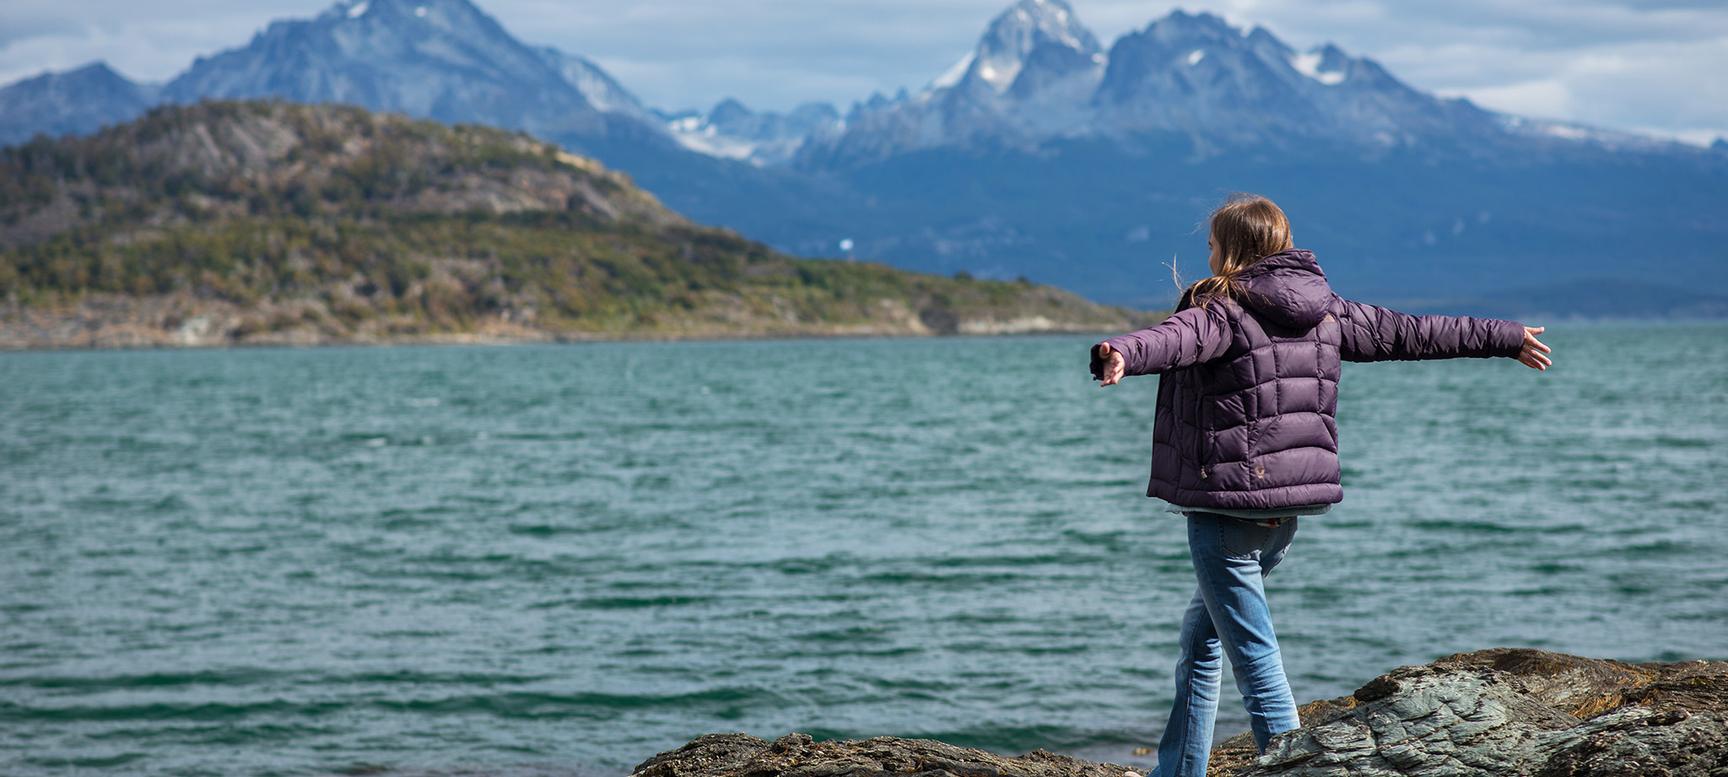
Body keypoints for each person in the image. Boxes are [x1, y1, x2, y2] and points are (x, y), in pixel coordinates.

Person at [1090, 193, 1551, 777]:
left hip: (1229, 508)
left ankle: (1295, 767)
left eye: (1210, 245)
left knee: (1253, 654)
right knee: (1203, 640)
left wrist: (1122, 353)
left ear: (1232, 249)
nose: (1206, 256)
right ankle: (1179, 769)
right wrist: (1503, 335)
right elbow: (1411, 333)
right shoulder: (1326, 308)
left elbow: (1172, 339)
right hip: (1288, 509)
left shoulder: (1221, 309)